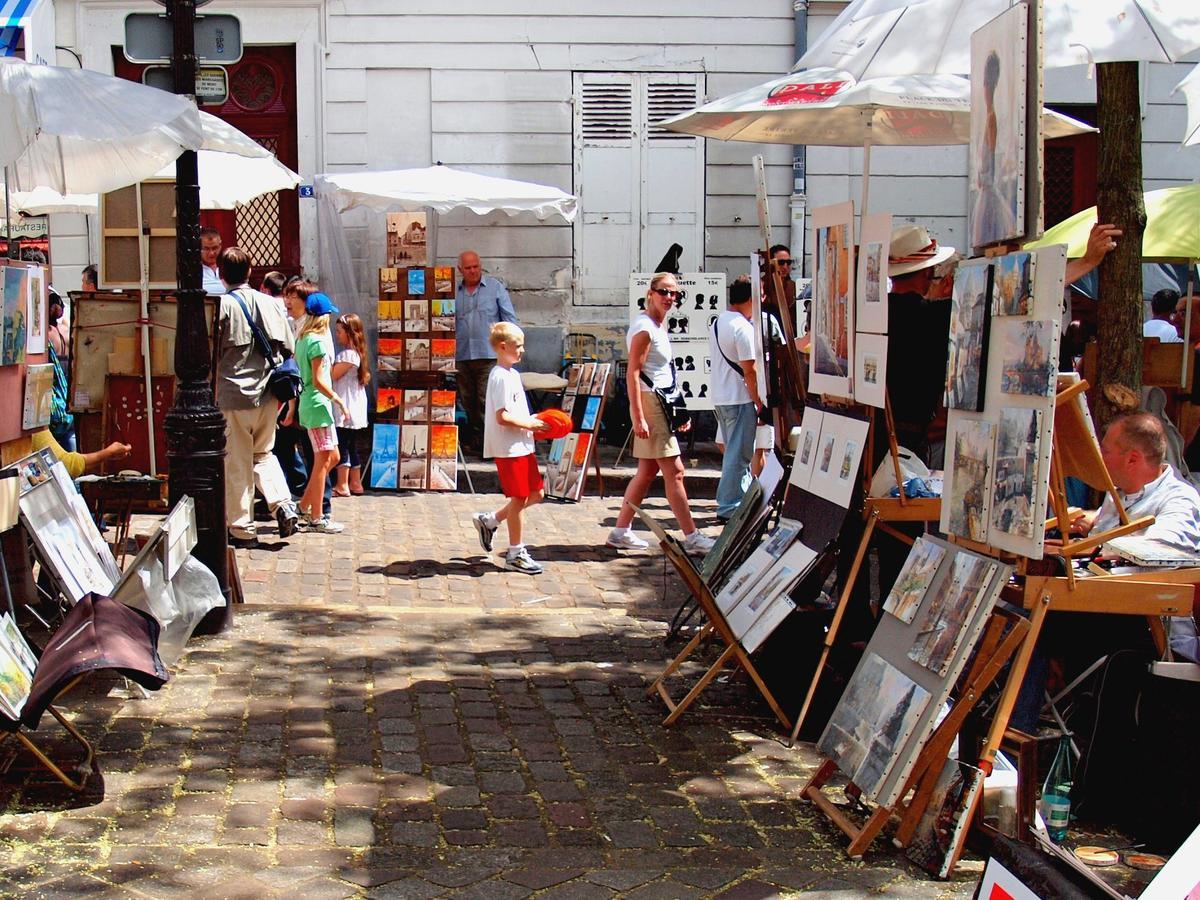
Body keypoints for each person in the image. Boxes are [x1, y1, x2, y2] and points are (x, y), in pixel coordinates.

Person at [607, 273, 715, 556]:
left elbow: (663, 374)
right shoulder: (645, 328)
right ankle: (691, 537)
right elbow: (633, 373)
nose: (670, 298)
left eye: (674, 294)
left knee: (646, 471)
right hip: (650, 404)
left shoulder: (657, 325)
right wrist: (638, 415)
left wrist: (678, 411)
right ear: (651, 293)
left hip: (661, 402)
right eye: (664, 292)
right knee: (675, 472)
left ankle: (620, 530)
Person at [214, 246, 301, 547]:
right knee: (263, 454)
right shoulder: (272, 304)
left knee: (237, 462)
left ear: (220, 274)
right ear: (251, 272)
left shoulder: (221, 307)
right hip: (268, 395)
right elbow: (288, 347)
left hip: (232, 395)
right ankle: (283, 504)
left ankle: (241, 529)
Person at [471, 323, 549, 574]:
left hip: (522, 443)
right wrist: (529, 424)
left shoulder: (513, 374)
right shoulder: (499, 377)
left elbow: (517, 411)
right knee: (519, 498)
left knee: (537, 494)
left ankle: (490, 520)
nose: (522, 351)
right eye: (518, 346)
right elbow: (502, 416)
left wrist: (536, 420)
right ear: (503, 347)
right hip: (508, 446)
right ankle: (515, 552)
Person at [709, 276, 763, 521]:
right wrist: (758, 400)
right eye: (760, 296)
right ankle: (729, 506)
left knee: (735, 451)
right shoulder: (742, 327)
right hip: (738, 397)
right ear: (751, 298)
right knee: (738, 455)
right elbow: (749, 370)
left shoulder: (721, 320)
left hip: (723, 395)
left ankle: (737, 501)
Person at [294, 292, 347, 534]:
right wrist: (337, 399)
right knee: (322, 462)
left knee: (332, 457)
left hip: (315, 404)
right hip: (317, 405)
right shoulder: (314, 341)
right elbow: (317, 380)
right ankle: (317, 517)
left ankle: (304, 506)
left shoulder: (305, 338)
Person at [455, 250, 517, 451]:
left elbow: (509, 319)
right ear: (460, 270)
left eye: (476, 266)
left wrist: (509, 350)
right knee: (468, 401)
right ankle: (477, 440)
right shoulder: (453, 292)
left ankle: (489, 444)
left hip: (488, 355)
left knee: (486, 401)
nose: (473, 271)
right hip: (462, 355)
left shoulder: (495, 288)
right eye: (468, 268)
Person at [332, 313, 370, 496]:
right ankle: (356, 482)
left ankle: (342, 484)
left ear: (349, 332)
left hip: (346, 404)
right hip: (354, 403)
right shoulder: (358, 353)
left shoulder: (347, 355)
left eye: (339, 331)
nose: (336, 335)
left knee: (343, 444)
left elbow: (333, 375)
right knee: (351, 444)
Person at [46, 289, 75, 452]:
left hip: (55, 385)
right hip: (68, 384)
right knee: (70, 437)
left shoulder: (48, 335)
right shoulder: (66, 331)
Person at [200, 227, 224, 295]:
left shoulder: (228, 268)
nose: (211, 253)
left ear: (220, 246)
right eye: (206, 249)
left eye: (215, 248)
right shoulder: (194, 272)